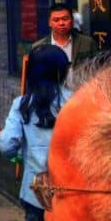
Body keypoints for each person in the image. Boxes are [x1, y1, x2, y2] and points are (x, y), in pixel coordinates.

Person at [0, 44, 72, 221]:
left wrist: (25, 154)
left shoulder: (22, 104)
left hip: (35, 191)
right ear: (61, 71)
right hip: (71, 189)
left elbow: (6, 144)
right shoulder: (75, 100)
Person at [43, 51, 111, 220]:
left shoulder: (21, 104)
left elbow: (7, 143)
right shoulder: (79, 101)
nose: (47, 215)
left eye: (56, 192)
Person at [31, 3, 97, 75]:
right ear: (49, 23)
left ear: (72, 20)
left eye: (65, 19)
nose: (61, 23)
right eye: (56, 20)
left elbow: (97, 70)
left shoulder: (88, 43)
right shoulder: (38, 47)